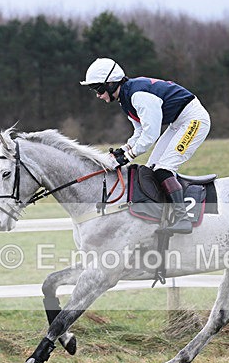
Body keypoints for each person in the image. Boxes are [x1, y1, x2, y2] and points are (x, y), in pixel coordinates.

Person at [81, 57, 211, 234]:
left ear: (111, 84)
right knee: (151, 169)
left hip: (194, 120)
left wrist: (127, 157)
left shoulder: (138, 95)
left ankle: (183, 219)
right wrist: (124, 150)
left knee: (164, 169)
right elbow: (139, 133)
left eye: (98, 88)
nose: (97, 94)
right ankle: (164, 214)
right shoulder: (125, 99)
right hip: (177, 122)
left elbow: (151, 135)